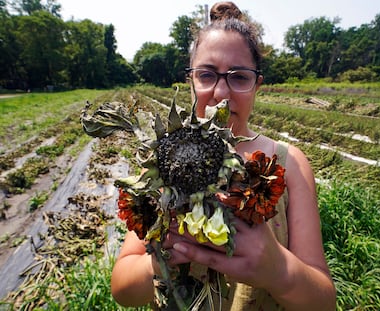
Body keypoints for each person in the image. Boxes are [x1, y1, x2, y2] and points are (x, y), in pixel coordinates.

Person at [111, 2, 336, 310]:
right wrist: (161, 256)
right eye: (207, 75)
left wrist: (279, 270)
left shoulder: (289, 165)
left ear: (257, 84)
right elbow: (123, 290)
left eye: (239, 77)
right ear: (190, 80)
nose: (222, 93)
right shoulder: (167, 162)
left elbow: (323, 302)